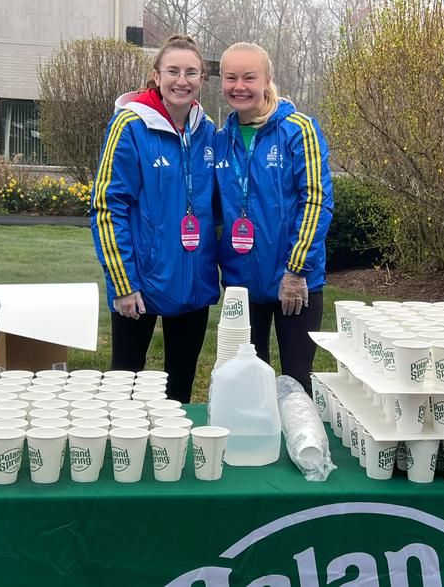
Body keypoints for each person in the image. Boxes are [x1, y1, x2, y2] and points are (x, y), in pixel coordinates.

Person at [90, 34, 218, 403]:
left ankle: (171, 457)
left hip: (192, 283)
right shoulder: (129, 126)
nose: (182, 80)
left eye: (191, 72)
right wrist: (123, 283)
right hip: (140, 284)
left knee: (180, 387)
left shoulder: (207, 131)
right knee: (125, 383)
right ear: (157, 76)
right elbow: (107, 207)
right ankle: (120, 454)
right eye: (173, 71)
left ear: (201, 79)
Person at [215, 42, 333, 395]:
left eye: (249, 77)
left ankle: (300, 448)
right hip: (240, 282)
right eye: (230, 77)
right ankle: (254, 449)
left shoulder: (299, 130)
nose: (239, 86)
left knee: (297, 382)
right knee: (249, 385)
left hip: (293, 281)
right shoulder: (221, 140)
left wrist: (296, 270)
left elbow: (317, 202)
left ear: (267, 80)